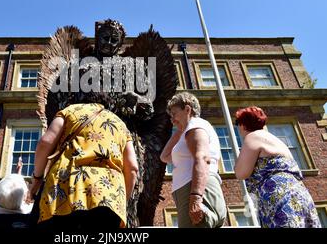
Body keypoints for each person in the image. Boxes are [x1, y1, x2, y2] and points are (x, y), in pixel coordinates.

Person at [29, 91, 139, 230]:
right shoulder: (120, 125)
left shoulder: (69, 111)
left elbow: (45, 143)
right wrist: (121, 202)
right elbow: (133, 168)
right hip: (109, 197)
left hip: (65, 191)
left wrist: (37, 178)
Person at [234, 106, 321, 228]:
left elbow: (241, 173)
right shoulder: (276, 140)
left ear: (243, 124)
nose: (237, 127)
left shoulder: (252, 137)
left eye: (237, 123)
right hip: (300, 194)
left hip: (278, 195)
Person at [160, 92, 226, 228]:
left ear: (187, 109)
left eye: (174, 114)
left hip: (198, 190)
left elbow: (202, 158)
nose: (172, 119)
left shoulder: (196, 126)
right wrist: (180, 129)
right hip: (195, 190)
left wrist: (196, 197)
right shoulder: (189, 130)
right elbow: (164, 156)